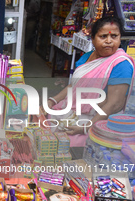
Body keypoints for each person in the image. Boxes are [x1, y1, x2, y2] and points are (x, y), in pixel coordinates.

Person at [44, 16, 135, 147]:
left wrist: (86, 127)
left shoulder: (121, 65)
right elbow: (74, 86)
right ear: (92, 39)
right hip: (72, 114)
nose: (109, 41)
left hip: (96, 123)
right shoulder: (87, 57)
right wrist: (52, 101)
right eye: (103, 36)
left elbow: (115, 104)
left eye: (114, 36)